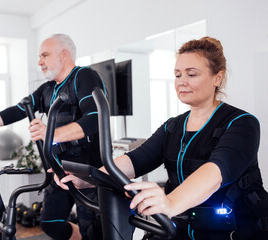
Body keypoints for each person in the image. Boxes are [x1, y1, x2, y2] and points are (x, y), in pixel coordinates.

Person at [56, 37, 268, 240]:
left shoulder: (241, 123)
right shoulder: (172, 126)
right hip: (184, 228)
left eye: (191, 74)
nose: (181, 82)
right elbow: (135, 159)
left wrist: (170, 201)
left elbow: (215, 173)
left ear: (217, 78)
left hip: (237, 230)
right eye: (177, 75)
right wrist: (90, 177)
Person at [0, 34, 106, 240]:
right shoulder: (49, 88)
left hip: (87, 171)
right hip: (59, 169)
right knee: (50, 223)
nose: (39, 62)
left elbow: (95, 118)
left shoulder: (85, 77)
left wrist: (52, 133)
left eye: (44, 55)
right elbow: (16, 111)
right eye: (39, 56)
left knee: (94, 230)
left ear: (63, 54)